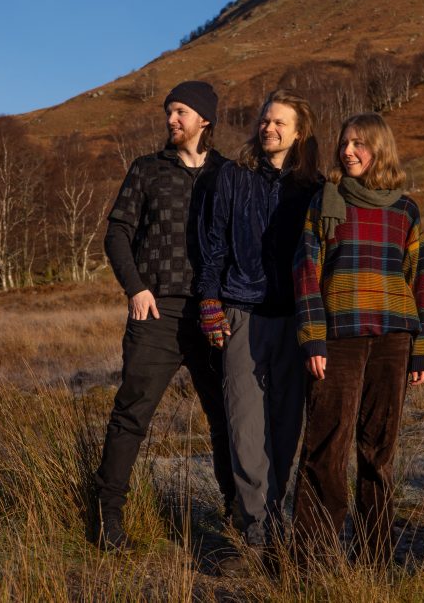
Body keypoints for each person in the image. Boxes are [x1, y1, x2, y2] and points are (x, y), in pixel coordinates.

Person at [94, 80, 235, 550]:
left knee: (225, 418)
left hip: (211, 314)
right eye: (168, 112)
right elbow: (117, 234)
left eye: (179, 112)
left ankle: (239, 519)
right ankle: (107, 520)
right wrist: (136, 288)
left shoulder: (227, 175)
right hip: (155, 313)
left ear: (203, 120)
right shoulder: (146, 170)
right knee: (131, 415)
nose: (171, 120)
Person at [292, 112, 424, 566]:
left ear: (380, 149)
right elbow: (306, 271)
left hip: (393, 341)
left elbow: (421, 280)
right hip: (339, 340)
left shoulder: (405, 209)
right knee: (325, 449)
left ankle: (375, 559)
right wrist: (313, 339)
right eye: (344, 143)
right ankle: (310, 560)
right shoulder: (326, 200)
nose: (347, 151)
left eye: (359, 143)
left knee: (378, 452)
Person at [197, 88, 322, 565]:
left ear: (298, 132)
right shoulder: (234, 176)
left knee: (286, 428)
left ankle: (274, 517)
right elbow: (213, 242)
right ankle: (256, 536)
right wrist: (211, 301)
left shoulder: (314, 188)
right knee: (246, 428)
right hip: (241, 315)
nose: (268, 128)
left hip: (295, 319)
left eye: (279, 123)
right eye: (265, 120)